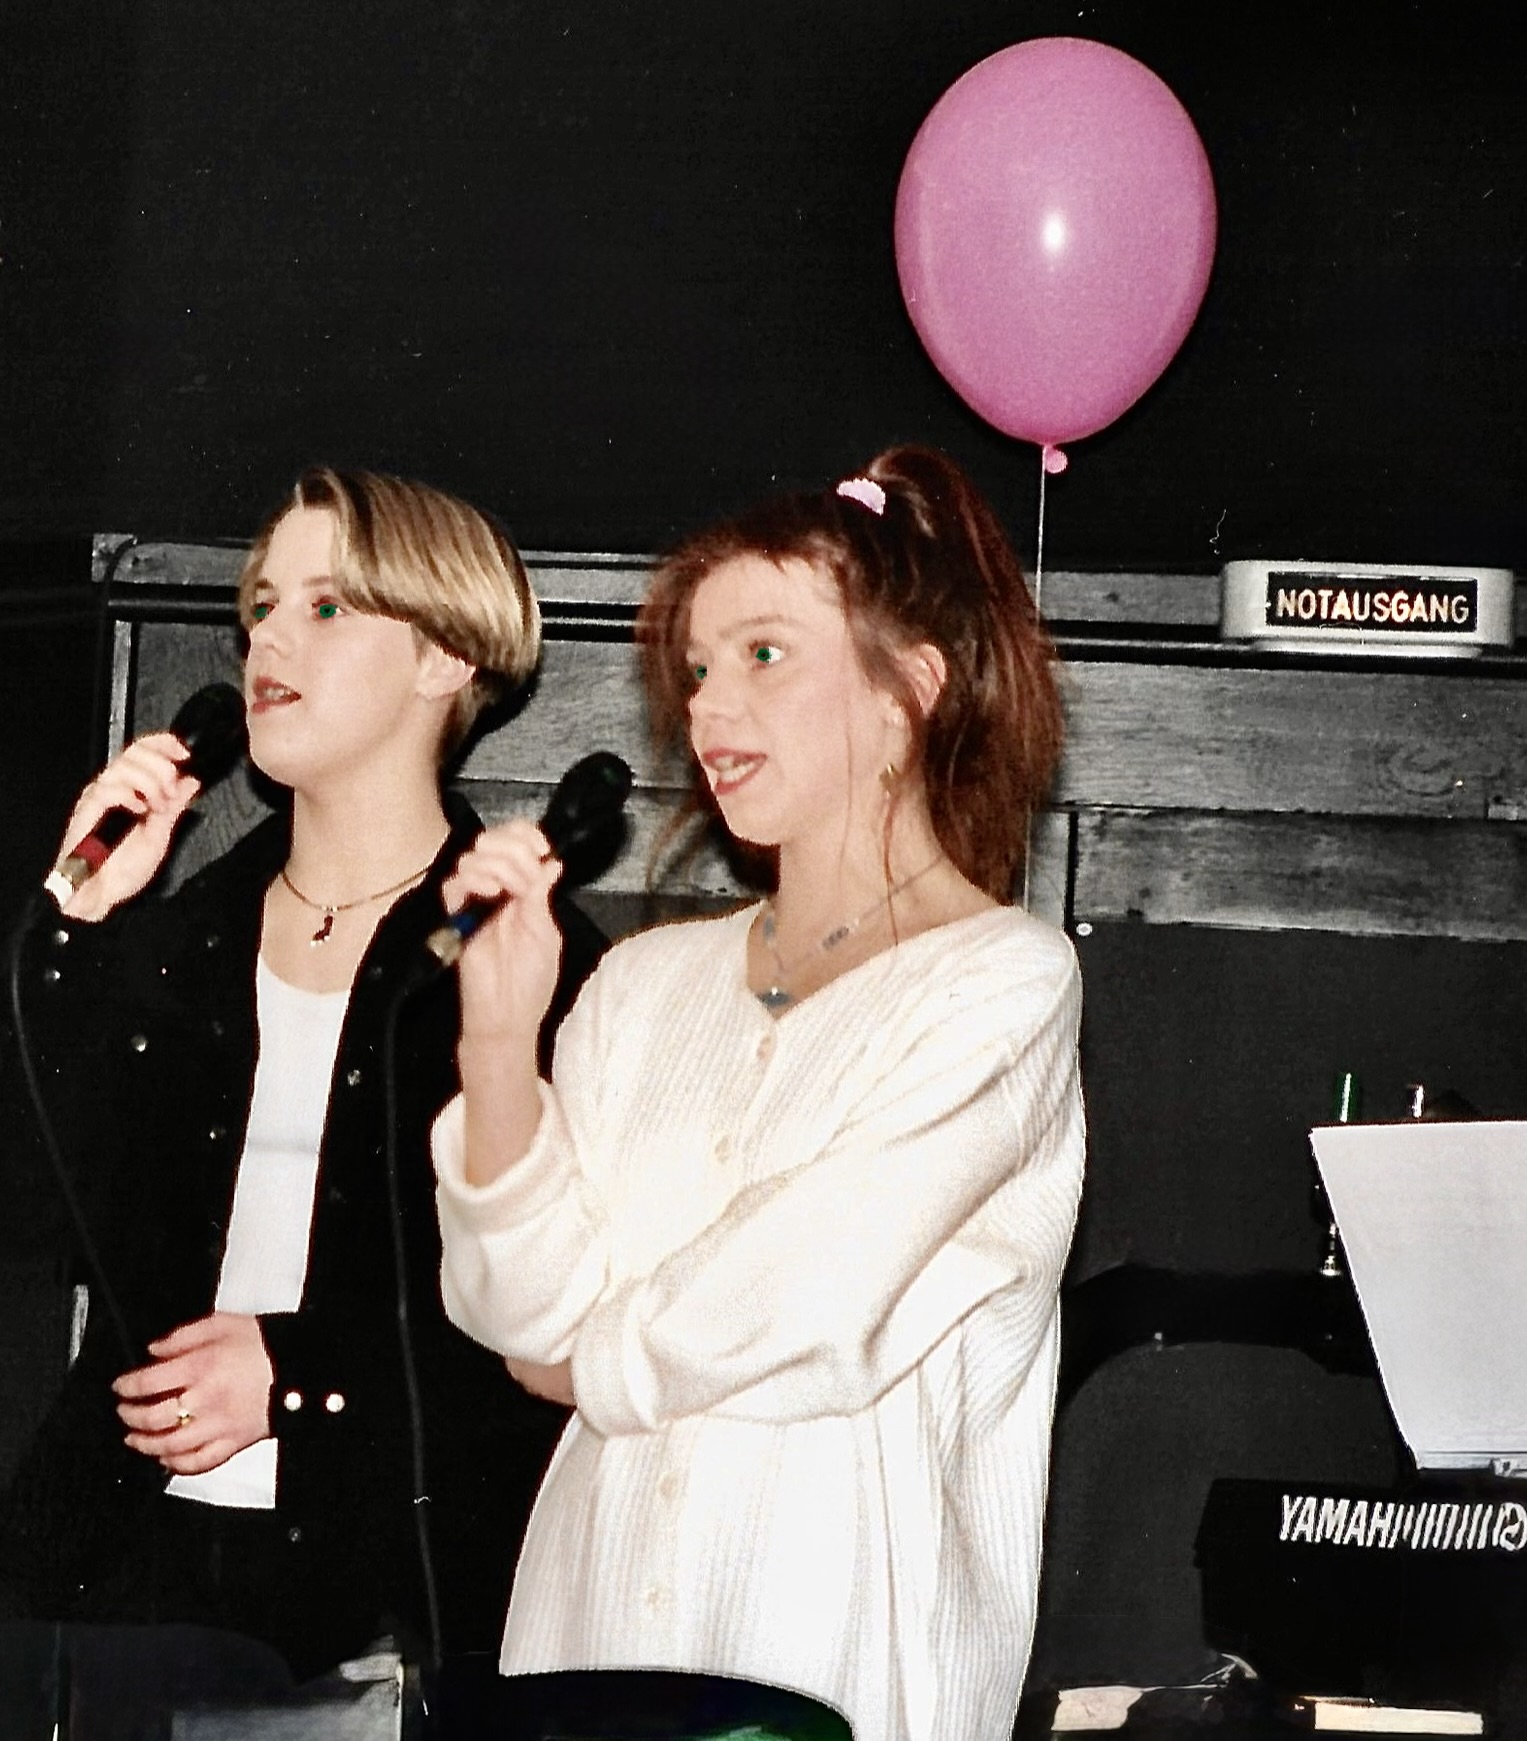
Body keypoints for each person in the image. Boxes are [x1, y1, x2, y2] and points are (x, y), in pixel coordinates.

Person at [430, 444, 1086, 1741]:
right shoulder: (642, 984)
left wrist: (590, 1359)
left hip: (830, 1648)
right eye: (697, 669)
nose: (710, 707)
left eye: (763, 655)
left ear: (908, 693)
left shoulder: (1005, 982)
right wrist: (498, 1044)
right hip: (590, 1631)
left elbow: (813, 1288)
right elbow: (520, 1316)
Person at [0, 468, 603, 1710]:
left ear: (445, 654)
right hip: (122, 1582)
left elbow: (550, 1330)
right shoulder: (180, 941)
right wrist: (78, 933)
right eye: (261, 605)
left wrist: (294, 1377)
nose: (267, 638)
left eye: (324, 607)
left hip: (380, 1612)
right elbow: (35, 1207)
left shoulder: (530, 963)